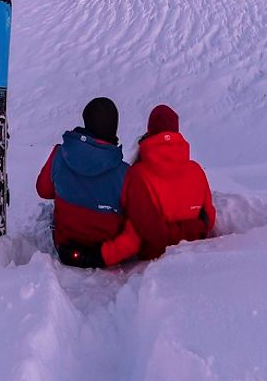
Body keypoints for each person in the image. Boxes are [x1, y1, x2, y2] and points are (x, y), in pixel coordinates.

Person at [101, 105, 215, 266]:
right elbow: (208, 220)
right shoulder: (196, 170)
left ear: (150, 130)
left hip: (151, 263)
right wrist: (194, 227)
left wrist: (102, 255)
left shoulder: (137, 174)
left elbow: (144, 229)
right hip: (196, 259)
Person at [36, 97, 127, 267]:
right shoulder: (124, 173)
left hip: (65, 249)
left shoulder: (60, 155)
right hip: (107, 253)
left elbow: (43, 190)